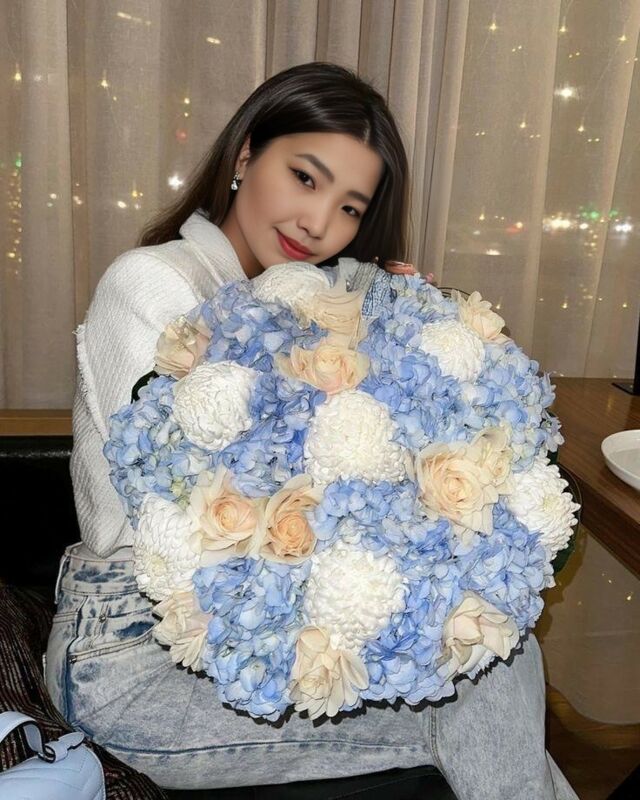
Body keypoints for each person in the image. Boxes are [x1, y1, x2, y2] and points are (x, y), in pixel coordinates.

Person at [45, 61, 578, 798]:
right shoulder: (152, 284)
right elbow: (206, 508)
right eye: (304, 177)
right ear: (245, 155)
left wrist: (407, 335)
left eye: (350, 207)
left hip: (252, 624)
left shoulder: (309, 295)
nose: (319, 224)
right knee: (484, 682)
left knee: (492, 643)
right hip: (132, 651)